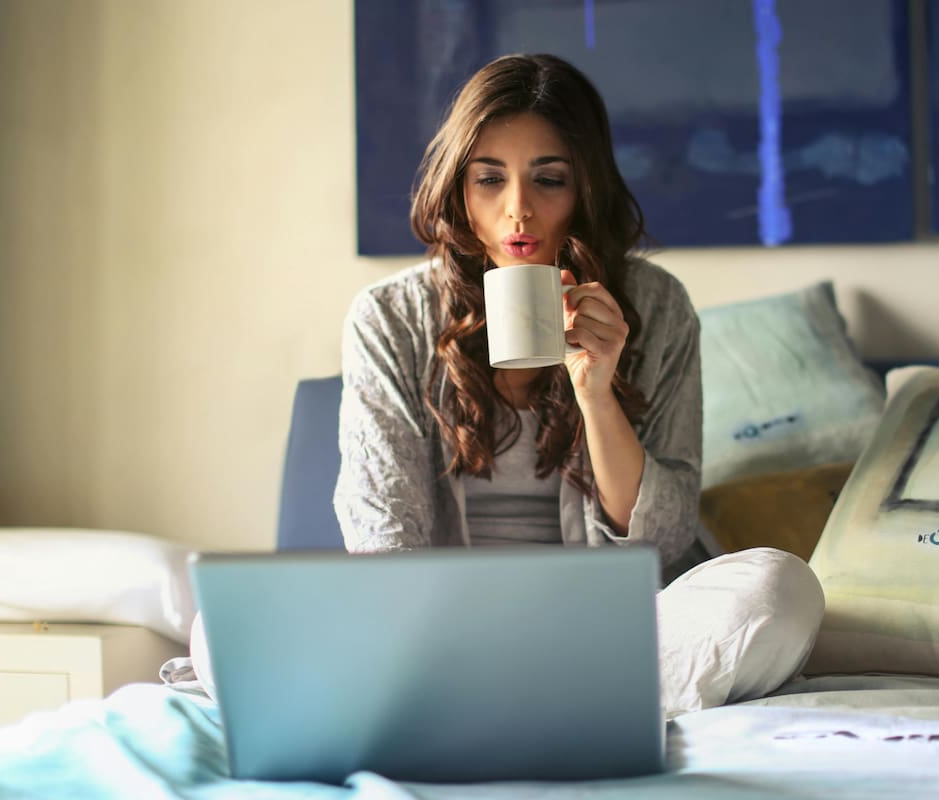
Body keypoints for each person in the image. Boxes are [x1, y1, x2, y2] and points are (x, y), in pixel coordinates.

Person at [330, 53, 824, 716]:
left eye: (549, 179)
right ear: (458, 188)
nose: (519, 211)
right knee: (220, 634)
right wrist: (431, 633)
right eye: (489, 180)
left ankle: (501, 701)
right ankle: (551, 699)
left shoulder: (658, 306)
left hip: (611, 629)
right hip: (444, 630)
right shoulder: (390, 318)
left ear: (585, 187)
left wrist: (596, 392)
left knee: (780, 590)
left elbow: (661, 540)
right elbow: (383, 537)